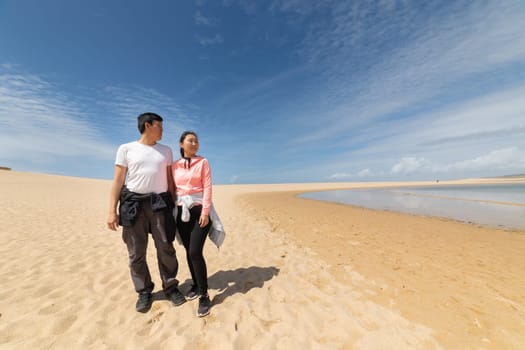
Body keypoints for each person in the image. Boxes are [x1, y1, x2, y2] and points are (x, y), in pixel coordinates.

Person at [107, 112, 186, 313]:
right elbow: (118, 181)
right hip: (133, 205)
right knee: (136, 253)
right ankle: (144, 291)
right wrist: (111, 211)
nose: (163, 131)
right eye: (160, 126)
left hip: (160, 204)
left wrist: (175, 203)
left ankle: (170, 286)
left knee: (166, 248)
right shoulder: (126, 149)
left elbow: (169, 180)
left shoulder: (166, 151)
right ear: (148, 125)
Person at [172, 130, 214, 317]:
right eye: (191, 140)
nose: (195, 143)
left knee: (196, 251)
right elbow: (173, 189)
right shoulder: (174, 166)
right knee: (189, 251)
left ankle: (204, 295)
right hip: (181, 211)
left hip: (199, 211)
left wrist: (205, 212)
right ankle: (196, 285)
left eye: (196, 141)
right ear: (182, 144)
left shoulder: (203, 162)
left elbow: (207, 187)